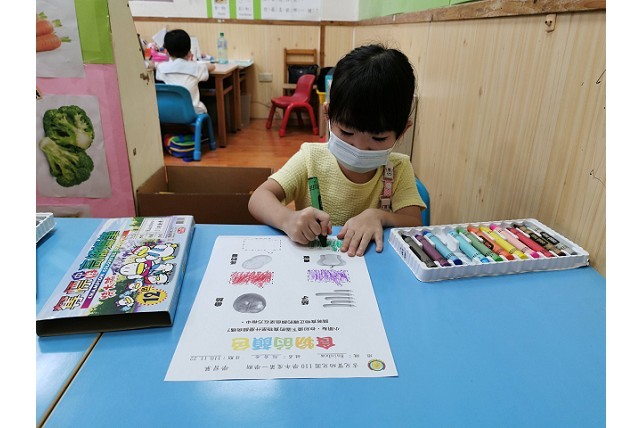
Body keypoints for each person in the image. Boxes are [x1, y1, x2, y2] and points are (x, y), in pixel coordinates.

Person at [248, 44, 426, 257]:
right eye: (347, 132)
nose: (359, 148)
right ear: (328, 114)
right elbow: (259, 197)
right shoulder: (310, 158)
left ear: (403, 130)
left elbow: (414, 222)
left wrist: (380, 216)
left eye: (378, 138)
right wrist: (287, 219)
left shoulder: (398, 168)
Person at [152, 29, 215, 114]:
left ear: (167, 52)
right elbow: (212, 67)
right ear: (189, 51)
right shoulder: (195, 67)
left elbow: (153, 64)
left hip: (169, 112)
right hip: (192, 113)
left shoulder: (162, 68)